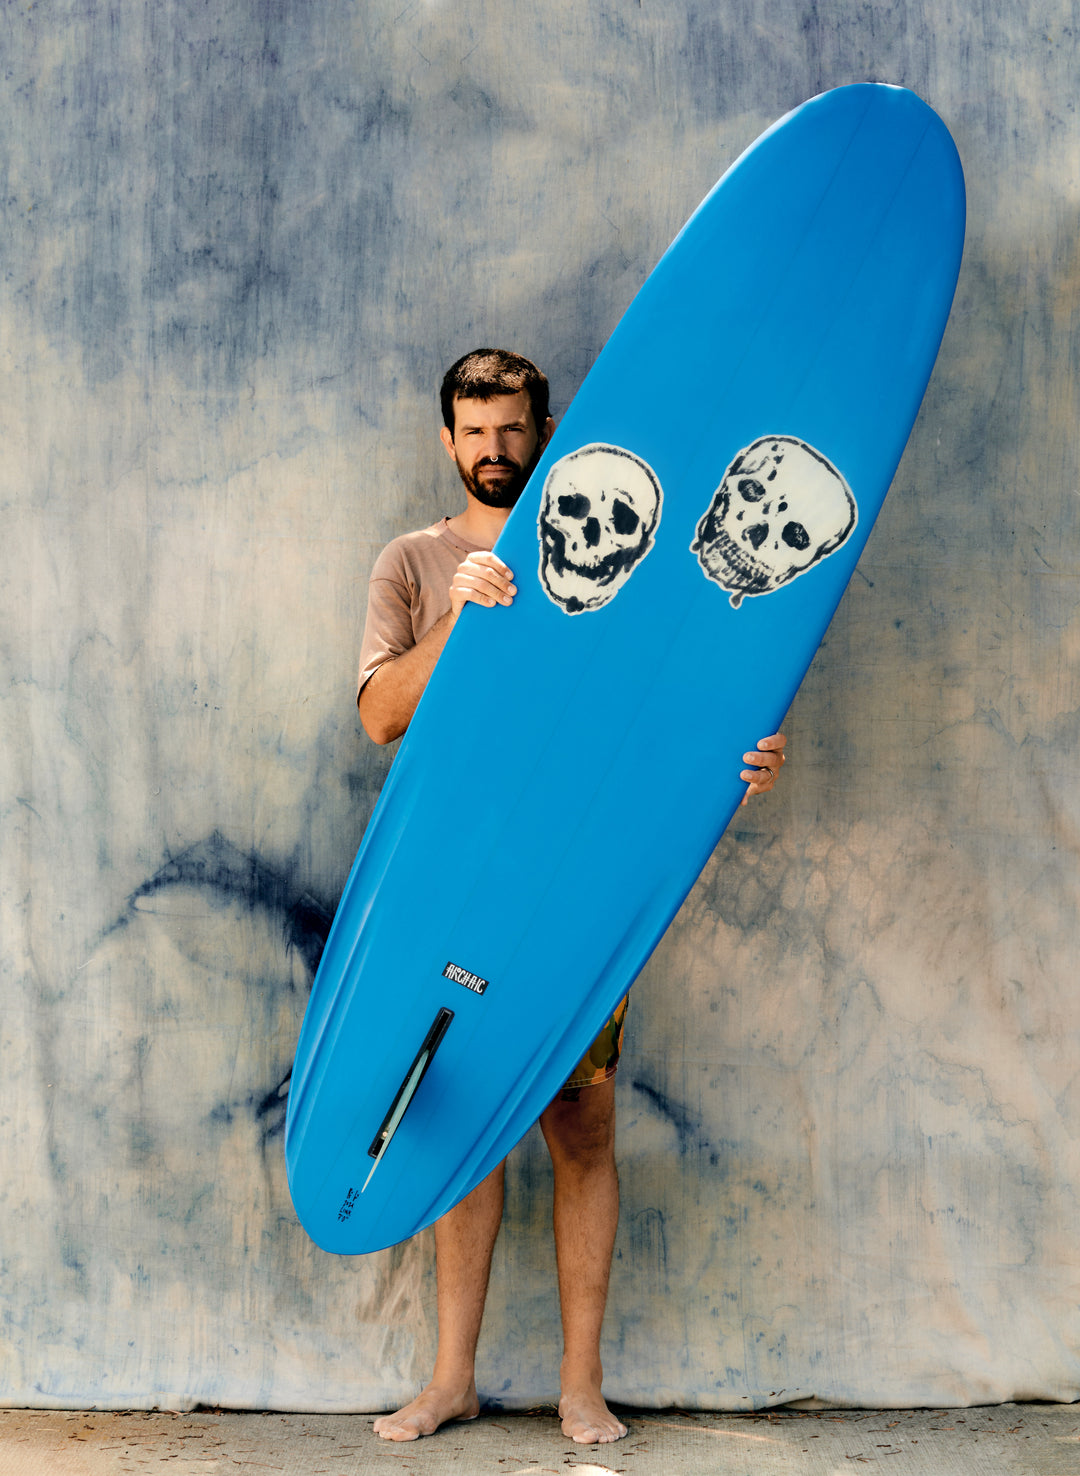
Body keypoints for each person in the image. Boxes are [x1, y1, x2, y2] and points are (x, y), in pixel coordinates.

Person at [356, 349, 787, 1445]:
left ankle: (578, 1383)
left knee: (582, 1127)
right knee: (458, 1132)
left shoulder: (613, 552)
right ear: (447, 441)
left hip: (573, 887)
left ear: (546, 430)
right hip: (448, 883)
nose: (495, 450)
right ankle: (451, 1378)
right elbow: (380, 718)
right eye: (474, 432)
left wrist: (739, 760)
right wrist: (465, 618)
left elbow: (655, 716)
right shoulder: (411, 564)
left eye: (512, 429)